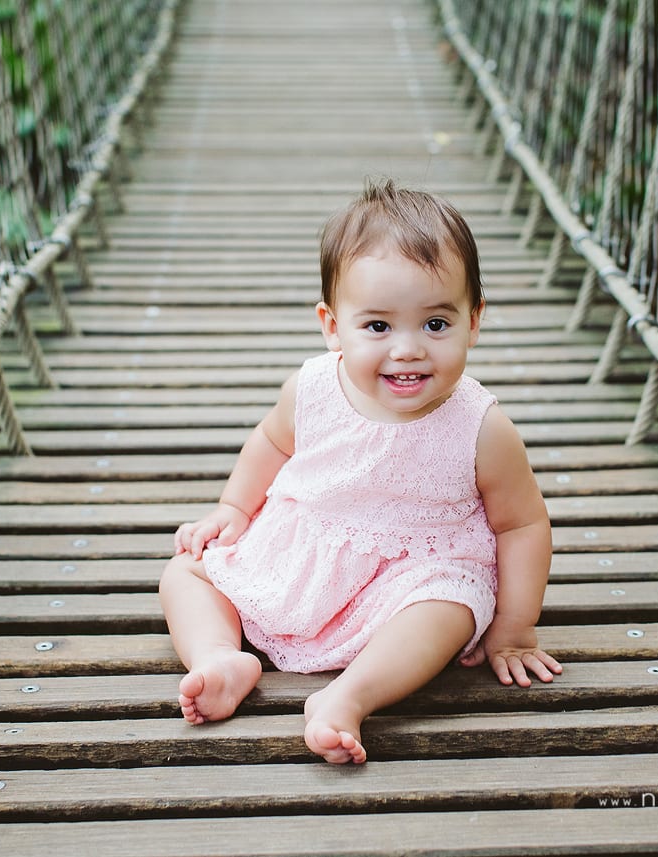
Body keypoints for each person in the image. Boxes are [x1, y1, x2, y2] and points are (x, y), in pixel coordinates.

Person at [159, 178, 560, 765]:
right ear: (332, 325)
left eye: (435, 324)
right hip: (305, 551)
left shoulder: (480, 426)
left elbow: (522, 526)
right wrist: (234, 510)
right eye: (378, 326)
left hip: (415, 571)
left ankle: (347, 696)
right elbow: (270, 442)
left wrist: (514, 626)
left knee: (449, 608)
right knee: (186, 573)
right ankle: (220, 657)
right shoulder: (312, 388)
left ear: (474, 320)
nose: (407, 349)